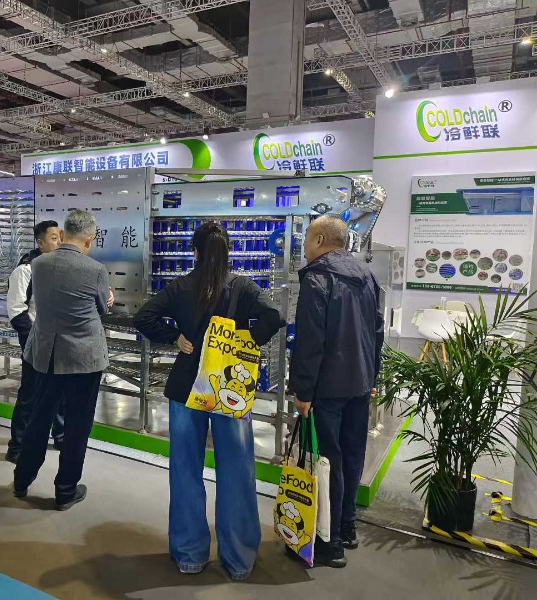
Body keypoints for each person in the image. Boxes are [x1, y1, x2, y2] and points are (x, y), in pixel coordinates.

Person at [133, 221, 284, 580]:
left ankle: (189, 554)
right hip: (229, 389)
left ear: (195, 252)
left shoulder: (180, 286)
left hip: (187, 388)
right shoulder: (242, 287)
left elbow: (143, 317)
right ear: (227, 250)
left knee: (186, 470)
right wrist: (243, 339)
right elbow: (275, 317)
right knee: (237, 472)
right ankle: (239, 560)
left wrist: (175, 336)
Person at [288, 215, 384, 569]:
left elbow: (310, 341)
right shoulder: (367, 276)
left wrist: (303, 390)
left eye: (307, 237)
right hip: (359, 382)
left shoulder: (317, 278)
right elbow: (377, 331)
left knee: (327, 462)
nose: (304, 245)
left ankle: (329, 543)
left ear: (320, 240)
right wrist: (373, 376)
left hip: (327, 387)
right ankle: (347, 527)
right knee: (353, 454)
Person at [13, 210, 114, 510]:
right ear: (89, 239)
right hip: (84, 359)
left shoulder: (39, 264)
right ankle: (66, 490)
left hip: (46, 354)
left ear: (64, 233)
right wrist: (108, 297)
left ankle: (22, 480)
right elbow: (101, 308)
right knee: (76, 426)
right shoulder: (95, 269)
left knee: (38, 419)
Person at [5, 220, 65, 463]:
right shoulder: (25, 271)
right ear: (40, 243)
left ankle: (60, 435)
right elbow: (16, 311)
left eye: (60, 237)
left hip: (60, 339)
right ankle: (18, 446)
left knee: (61, 390)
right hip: (36, 341)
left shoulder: (60, 267)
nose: (59, 242)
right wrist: (33, 341)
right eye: (54, 238)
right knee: (31, 393)